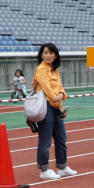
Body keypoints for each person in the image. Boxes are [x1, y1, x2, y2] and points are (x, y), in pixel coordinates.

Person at [32, 43, 77, 180]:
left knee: (61, 138)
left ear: (56, 55)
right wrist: (60, 103)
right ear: (41, 55)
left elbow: (60, 88)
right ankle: (44, 169)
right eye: (45, 53)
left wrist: (62, 96)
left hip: (56, 106)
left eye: (51, 53)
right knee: (45, 140)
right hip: (46, 107)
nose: (48, 55)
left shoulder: (54, 70)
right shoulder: (41, 70)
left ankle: (62, 166)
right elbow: (48, 90)